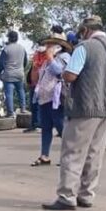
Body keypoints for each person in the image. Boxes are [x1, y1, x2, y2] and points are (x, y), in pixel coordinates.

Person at [42, 16, 106, 211]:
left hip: (84, 106)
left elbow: (71, 75)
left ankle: (66, 196)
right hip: (105, 108)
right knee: (95, 153)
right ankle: (86, 194)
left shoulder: (84, 47)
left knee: (73, 151)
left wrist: (59, 72)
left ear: (85, 30)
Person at [31, 34, 72, 166]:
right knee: (46, 127)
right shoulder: (45, 60)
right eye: (47, 44)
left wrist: (50, 58)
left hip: (56, 98)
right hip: (44, 97)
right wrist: (35, 66)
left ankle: (68, 156)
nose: (47, 47)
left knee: (60, 126)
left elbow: (60, 72)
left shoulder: (64, 57)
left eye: (51, 45)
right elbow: (35, 79)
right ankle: (44, 155)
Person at [0, 30, 28, 115]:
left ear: (9, 38)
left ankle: (10, 112)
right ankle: (23, 108)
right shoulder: (22, 48)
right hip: (20, 74)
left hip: (8, 75)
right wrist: (21, 68)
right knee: (21, 91)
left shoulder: (6, 49)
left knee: (9, 94)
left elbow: (1, 63)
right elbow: (25, 61)